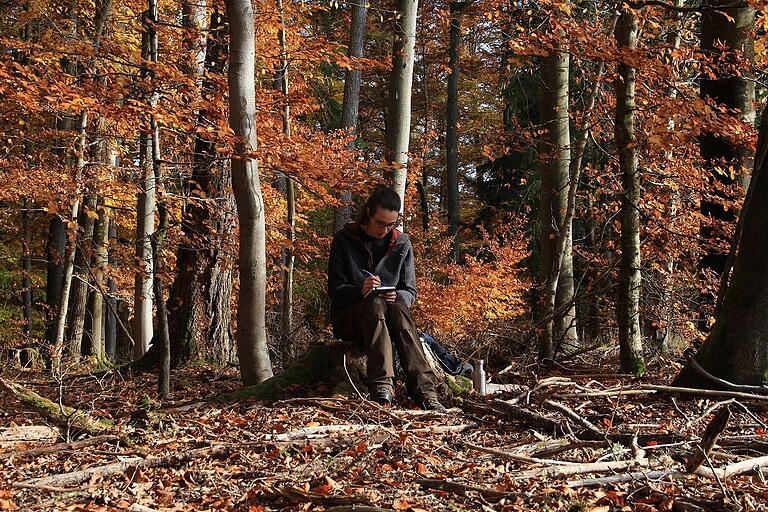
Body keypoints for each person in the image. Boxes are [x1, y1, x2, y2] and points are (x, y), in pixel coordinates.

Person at [328, 186, 446, 412]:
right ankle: (382, 390)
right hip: (349, 318)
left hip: (391, 316)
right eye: (379, 223)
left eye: (390, 224)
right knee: (374, 304)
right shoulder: (344, 239)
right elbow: (335, 290)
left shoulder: (402, 243)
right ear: (368, 214)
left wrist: (398, 295)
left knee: (399, 307)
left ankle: (425, 393)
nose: (384, 229)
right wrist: (359, 290)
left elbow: (410, 292)